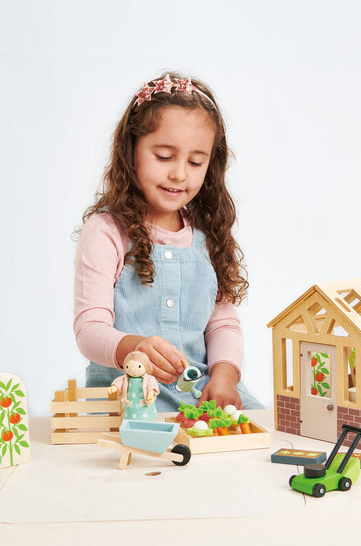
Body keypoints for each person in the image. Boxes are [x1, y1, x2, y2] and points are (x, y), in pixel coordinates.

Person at [74, 72, 264, 412]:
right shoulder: (106, 232)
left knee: (264, 431)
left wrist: (224, 375)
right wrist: (133, 347)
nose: (179, 174)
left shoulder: (207, 236)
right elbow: (90, 330)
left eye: (195, 162)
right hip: (129, 393)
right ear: (131, 152)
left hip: (198, 392)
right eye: (164, 156)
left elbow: (222, 324)